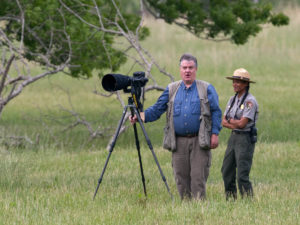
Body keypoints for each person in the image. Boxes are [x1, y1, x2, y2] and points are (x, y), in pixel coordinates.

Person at [130, 53, 222, 200]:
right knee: (181, 179)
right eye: (184, 67)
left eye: (190, 68)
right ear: (180, 69)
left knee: (198, 178)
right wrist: (140, 116)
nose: (187, 71)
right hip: (178, 141)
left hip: (200, 140)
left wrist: (215, 133)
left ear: (196, 69)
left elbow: (216, 111)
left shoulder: (206, 88)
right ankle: (185, 211)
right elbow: (157, 109)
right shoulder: (172, 89)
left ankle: (200, 213)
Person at [221, 68, 259, 200]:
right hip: (233, 137)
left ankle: (248, 201)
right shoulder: (232, 100)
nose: (235, 84)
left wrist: (230, 122)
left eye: (238, 82)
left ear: (246, 84)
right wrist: (233, 123)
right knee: (226, 170)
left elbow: (243, 124)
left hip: (245, 139)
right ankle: (231, 199)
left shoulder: (250, 101)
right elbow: (223, 122)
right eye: (234, 81)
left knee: (242, 174)